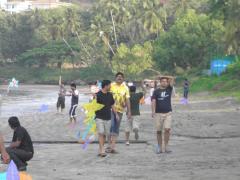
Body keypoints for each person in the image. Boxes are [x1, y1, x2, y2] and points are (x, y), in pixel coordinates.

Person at [108, 72, 131, 153]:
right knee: (111, 126)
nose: (119, 78)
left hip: (120, 110)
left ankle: (112, 147)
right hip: (110, 109)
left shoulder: (126, 88)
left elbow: (127, 99)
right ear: (115, 78)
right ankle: (109, 145)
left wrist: (129, 111)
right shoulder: (111, 85)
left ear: (123, 78)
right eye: (118, 77)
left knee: (116, 128)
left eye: (121, 77)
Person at [151, 76, 175, 154]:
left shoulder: (169, 89)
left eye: (165, 81)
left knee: (167, 129)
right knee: (158, 131)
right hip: (158, 113)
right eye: (163, 81)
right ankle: (159, 147)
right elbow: (153, 101)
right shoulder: (156, 91)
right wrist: (153, 111)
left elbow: (172, 78)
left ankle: (166, 146)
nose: (164, 82)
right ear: (160, 82)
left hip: (168, 113)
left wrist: (163, 76)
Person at [95, 80, 118, 157]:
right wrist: (93, 99)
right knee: (101, 132)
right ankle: (102, 150)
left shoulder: (110, 95)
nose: (110, 86)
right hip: (99, 117)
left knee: (106, 134)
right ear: (105, 86)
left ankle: (101, 149)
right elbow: (92, 104)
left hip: (108, 117)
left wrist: (116, 114)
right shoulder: (98, 94)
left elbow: (112, 105)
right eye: (109, 85)